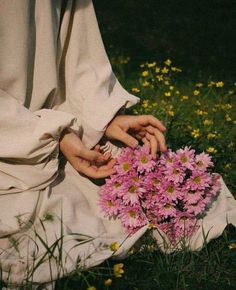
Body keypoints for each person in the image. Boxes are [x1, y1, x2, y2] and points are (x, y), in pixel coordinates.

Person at [0, 0, 167, 287]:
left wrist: (103, 116)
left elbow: (76, 40)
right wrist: (51, 133)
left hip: (49, 121)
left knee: (144, 184)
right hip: (12, 132)